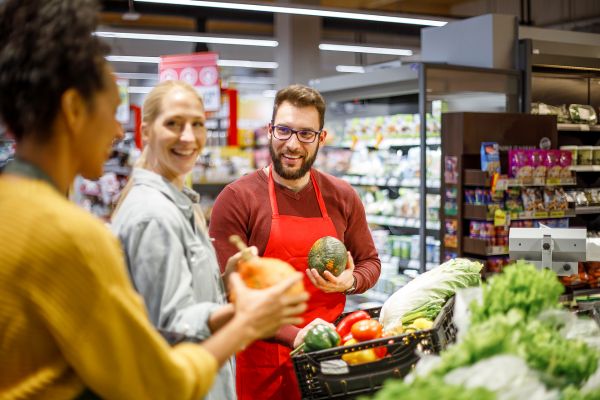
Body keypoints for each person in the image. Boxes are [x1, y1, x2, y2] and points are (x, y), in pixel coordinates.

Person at [0, 1, 308, 399]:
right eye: (112, 111)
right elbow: (157, 384)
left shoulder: (13, 208)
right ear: (75, 109)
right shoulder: (70, 236)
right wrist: (246, 324)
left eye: (197, 124)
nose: (116, 130)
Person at [209, 84, 382, 399]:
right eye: (284, 130)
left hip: (330, 358)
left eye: (305, 134)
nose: (292, 144)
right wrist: (297, 336)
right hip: (263, 364)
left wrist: (350, 281)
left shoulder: (342, 196)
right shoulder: (237, 199)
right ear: (270, 130)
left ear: (321, 138)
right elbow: (229, 293)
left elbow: (371, 263)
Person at [111, 80, 240, 400]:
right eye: (173, 124)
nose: (188, 137)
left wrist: (225, 283)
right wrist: (248, 314)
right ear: (146, 132)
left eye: (197, 124)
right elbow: (172, 327)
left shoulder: (178, 203)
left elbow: (173, 299)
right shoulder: (156, 216)